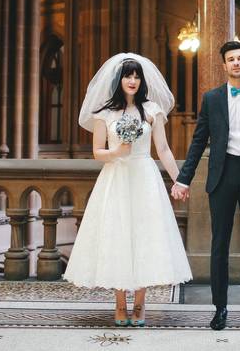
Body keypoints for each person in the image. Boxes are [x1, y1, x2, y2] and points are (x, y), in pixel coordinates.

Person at [64, 53, 192, 327]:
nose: (132, 80)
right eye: (128, 75)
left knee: (145, 236)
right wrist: (117, 151)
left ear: (142, 80)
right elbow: (97, 152)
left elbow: (164, 150)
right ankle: (120, 302)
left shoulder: (153, 110)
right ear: (119, 80)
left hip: (144, 176)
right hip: (117, 176)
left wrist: (180, 180)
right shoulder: (105, 114)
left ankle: (141, 302)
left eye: (137, 76)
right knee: (118, 236)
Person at [171, 38, 240, 332]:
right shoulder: (212, 99)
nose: (236, 63)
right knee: (219, 244)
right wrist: (184, 177)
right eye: (231, 59)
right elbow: (198, 141)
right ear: (224, 66)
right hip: (222, 174)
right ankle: (220, 309)